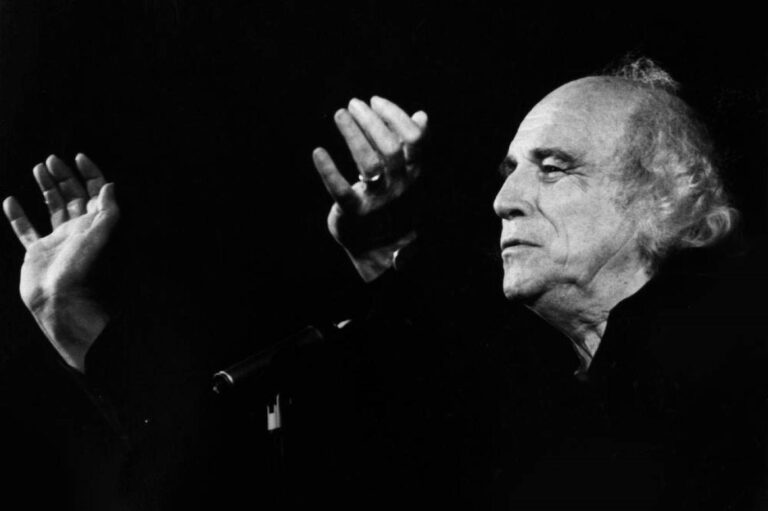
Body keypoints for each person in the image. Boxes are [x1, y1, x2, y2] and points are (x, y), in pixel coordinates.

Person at [4, 59, 767, 509]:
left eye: (555, 167)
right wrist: (73, 319)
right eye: (508, 172)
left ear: (683, 208)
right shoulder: (540, 409)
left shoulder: (730, 397)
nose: (503, 200)